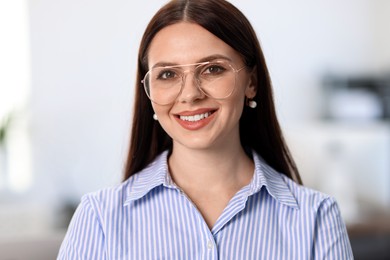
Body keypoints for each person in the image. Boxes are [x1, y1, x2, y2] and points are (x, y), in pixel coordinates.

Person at [58, 0, 353, 259]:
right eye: (168, 74)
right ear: (149, 92)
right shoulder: (100, 218)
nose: (189, 95)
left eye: (212, 69)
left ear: (251, 82)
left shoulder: (315, 217)